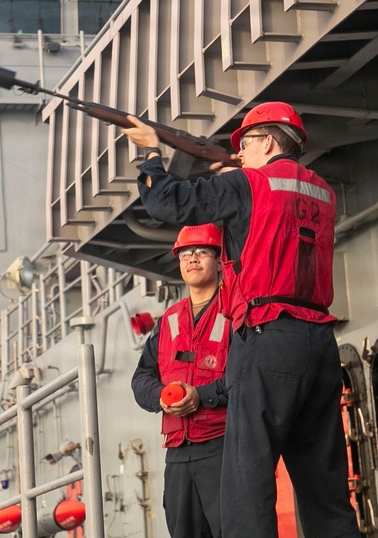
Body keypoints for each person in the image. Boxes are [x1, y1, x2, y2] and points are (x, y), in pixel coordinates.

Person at [123, 104, 359, 537]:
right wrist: (236, 180)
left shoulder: (249, 183)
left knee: (245, 483)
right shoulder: (323, 191)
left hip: (268, 336)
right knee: (325, 487)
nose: (240, 153)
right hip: (320, 340)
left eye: (245, 144)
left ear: (267, 141)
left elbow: (167, 203)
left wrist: (152, 154)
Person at [131, 224, 229, 538]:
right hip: (178, 453)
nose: (193, 259)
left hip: (223, 446)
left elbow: (248, 376)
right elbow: (141, 378)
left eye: (202, 252)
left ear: (219, 261)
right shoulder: (168, 321)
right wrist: (161, 396)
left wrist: (202, 395)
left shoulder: (234, 312)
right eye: (186, 254)